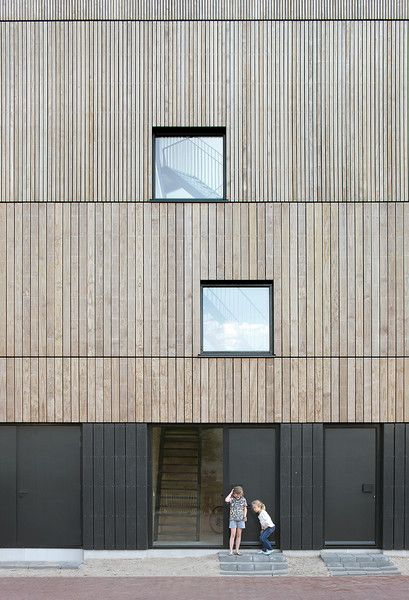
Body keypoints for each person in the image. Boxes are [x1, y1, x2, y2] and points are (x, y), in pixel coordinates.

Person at [225, 486, 247, 555]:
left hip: (241, 519)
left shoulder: (243, 499)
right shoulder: (232, 499)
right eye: (236, 494)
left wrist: (245, 516)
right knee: (232, 535)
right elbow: (226, 500)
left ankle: (237, 550)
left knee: (239, 535)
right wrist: (231, 493)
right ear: (234, 493)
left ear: (241, 493)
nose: (237, 495)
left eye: (239, 494)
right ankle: (231, 551)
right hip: (233, 519)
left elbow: (245, 508)